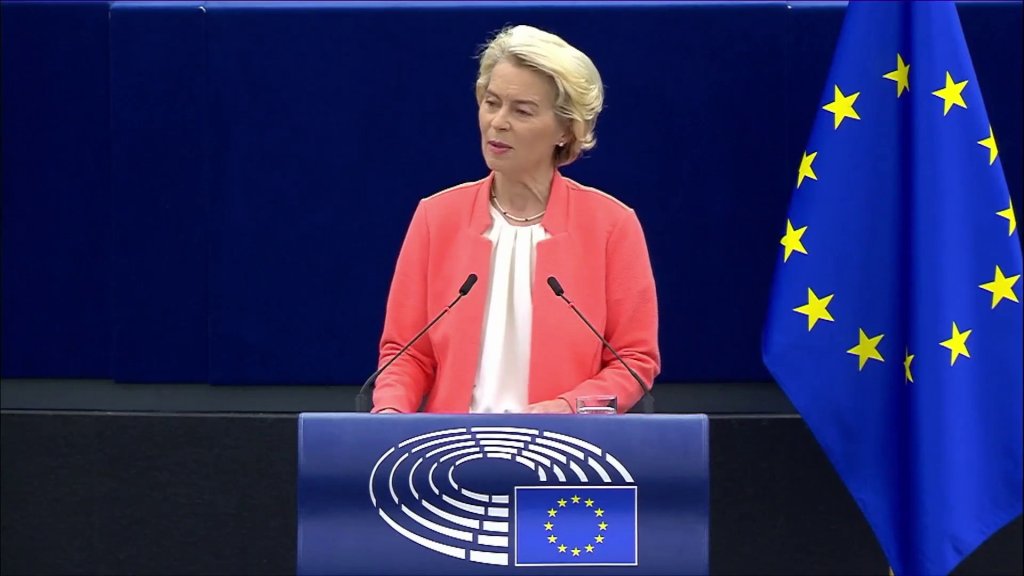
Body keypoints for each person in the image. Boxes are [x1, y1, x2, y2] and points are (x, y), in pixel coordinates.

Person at [372, 24, 659, 414]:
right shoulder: (436, 218)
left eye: (521, 111)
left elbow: (633, 361)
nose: (498, 122)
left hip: (559, 443)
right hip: (450, 444)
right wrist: (389, 415)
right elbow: (405, 355)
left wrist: (566, 409)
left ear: (565, 129)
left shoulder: (612, 226)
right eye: (491, 103)